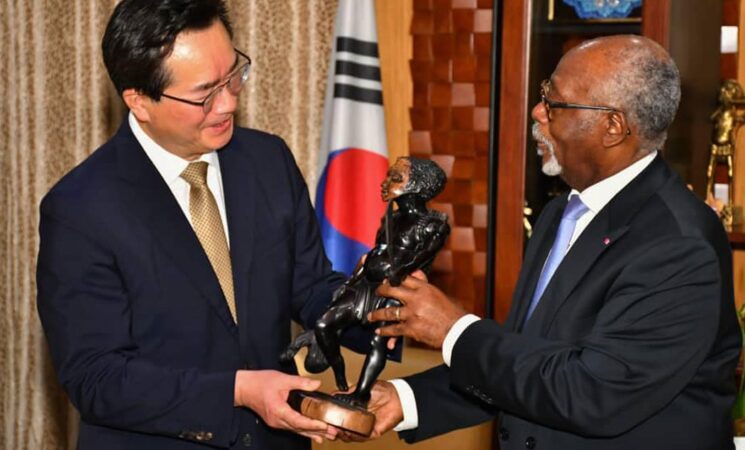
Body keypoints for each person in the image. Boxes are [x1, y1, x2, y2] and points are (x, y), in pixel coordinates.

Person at [363, 35, 742, 449]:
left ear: (613, 127)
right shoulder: (560, 213)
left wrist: (454, 330)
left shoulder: (679, 245)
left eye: (555, 103)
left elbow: (592, 393)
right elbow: (530, 361)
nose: (538, 111)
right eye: (545, 94)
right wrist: (407, 399)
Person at [36, 0, 347, 448]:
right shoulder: (81, 208)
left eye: (233, 75)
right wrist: (237, 391)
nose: (229, 102)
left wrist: (382, 307)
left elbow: (313, 288)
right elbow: (97, 378)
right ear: (139, 101)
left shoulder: (268, 161)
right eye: (205, 93)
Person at [281, 157, 449, 408]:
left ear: (418, 185)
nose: (384, 184)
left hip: (392, 288)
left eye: (395, 178)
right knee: (325, 323)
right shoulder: (389, 219)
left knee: (378, 340)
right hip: (364, 284)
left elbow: (416, 261)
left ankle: (360, 394)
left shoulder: (433, 225)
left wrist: (397, 276)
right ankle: (340, 378)